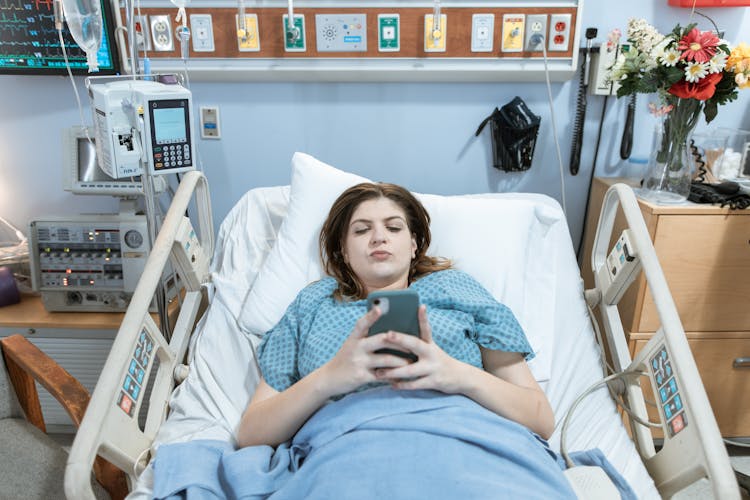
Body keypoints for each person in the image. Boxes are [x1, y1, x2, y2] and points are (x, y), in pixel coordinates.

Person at [237, 182, 554, 449]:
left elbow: (540, 418)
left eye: (393, 227)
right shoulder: (313, 303)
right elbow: (251, 434)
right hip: (347, 449)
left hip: (461, 443)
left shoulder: (457, 289)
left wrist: (456, 375)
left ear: (414, 244)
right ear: (343, 251)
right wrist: (329, 378)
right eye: (362, 230)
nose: (379, 237)